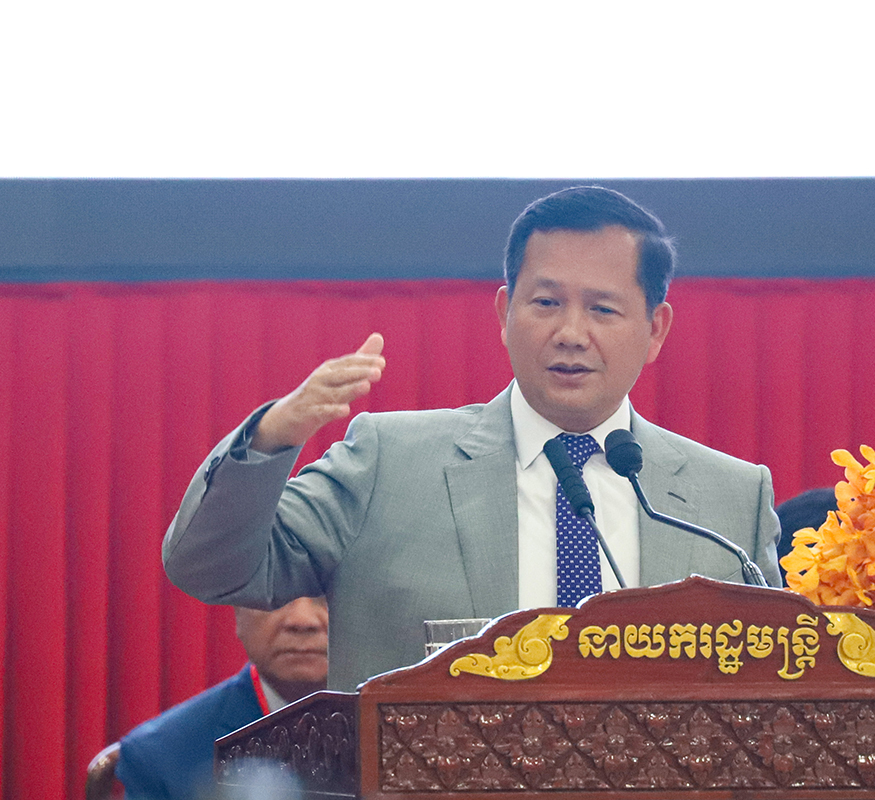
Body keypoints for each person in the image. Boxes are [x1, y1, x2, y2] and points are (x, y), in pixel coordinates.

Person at [162, 186, 782, 691]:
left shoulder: (730, 500)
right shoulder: (388, 463)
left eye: (602, 309)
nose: (571, 332)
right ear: (505, 314)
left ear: (656, 330)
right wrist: (271, 438)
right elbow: (211, 569)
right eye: (546, 302)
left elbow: (774, 691)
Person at [116, 596, 328, 800]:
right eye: (277, 594)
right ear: (237, 609)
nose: (302, 620)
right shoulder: (160, 757)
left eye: (328, 595)